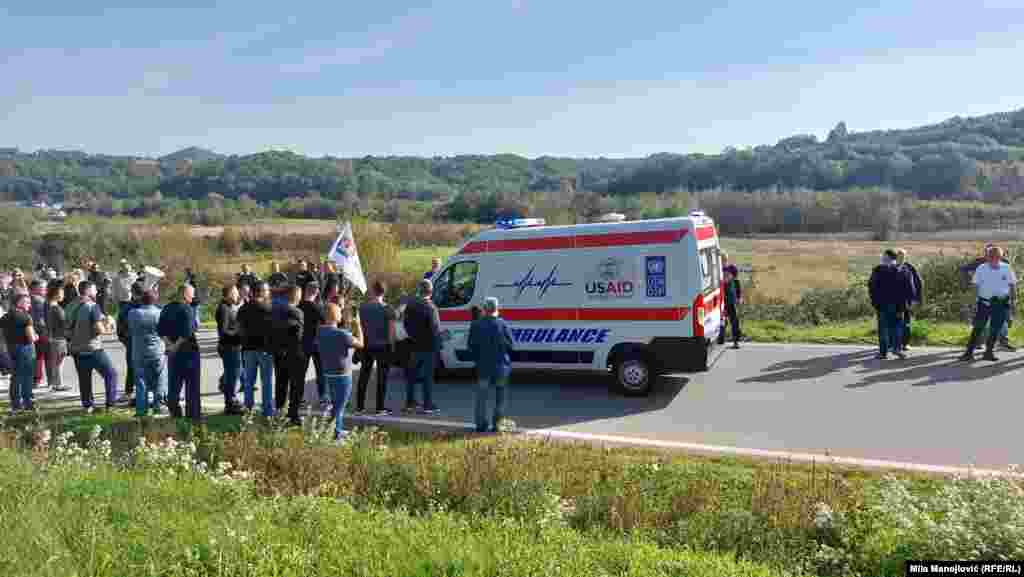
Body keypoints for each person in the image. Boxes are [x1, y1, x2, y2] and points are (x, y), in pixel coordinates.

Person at [69, 280, 121, 412]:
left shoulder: (71, 305)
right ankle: (110, 404)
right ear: (87, 291)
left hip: (76, 348)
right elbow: (99, 330)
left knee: (84, 379)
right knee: (111, 374)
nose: (96, 291)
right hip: (92, 348)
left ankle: (88, 406)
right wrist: (109, 325)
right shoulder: (93, 306)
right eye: (94, 289)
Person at [960, 246, 1017, 362]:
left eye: (996, 256)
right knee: (978, 328)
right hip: (984, 303)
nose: (994, 259)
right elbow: (975, 286)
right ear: (987, 257)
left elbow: (1012, 285)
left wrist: (1013, 302)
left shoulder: (1007, 268)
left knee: (995, 329)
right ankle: (968, 353)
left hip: (1001, 304)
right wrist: (973, 303)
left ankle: (988, 353)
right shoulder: (981, 268)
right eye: (991, 256)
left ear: (1000, 257)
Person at [467, 297, 515, 433]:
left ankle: (481, 425)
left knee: (481, 397)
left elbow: (470, 346)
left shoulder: (476, 324)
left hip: (483, 366)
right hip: (501, 366)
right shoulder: (502, 324)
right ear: (497, 308)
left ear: (484, 309)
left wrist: (478, 358)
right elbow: (511, 345)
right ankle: (497, 425)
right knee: (500, 397)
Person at [318, 302, 363, 443]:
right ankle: (334, 436)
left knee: (336, 404)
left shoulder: (320, 331)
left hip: (328, 372)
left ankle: (337, 429)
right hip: (342, 375)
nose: (341, 313)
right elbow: (360, 344)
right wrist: (358, 325)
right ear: (334, 315)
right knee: (339, 406)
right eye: (339, 311)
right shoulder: (341, 334)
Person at [158, 284, 202, 420]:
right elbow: (187, 333)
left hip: (173, 353)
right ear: (185, 294)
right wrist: (175, 346)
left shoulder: (166, 308)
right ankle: (193, 416)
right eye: (192, 294)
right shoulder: (187, 309)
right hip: (189, 352)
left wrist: (169, 345)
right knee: (192, 386)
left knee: (174, 385)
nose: (193, 297)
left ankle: (175, 413)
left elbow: (160, 330)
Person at [356, 280, 397, 416]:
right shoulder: (388, 309)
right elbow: (391, 332)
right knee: (382, 377)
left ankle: (359, 407)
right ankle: (380, 408)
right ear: (384, 292)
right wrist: (392, 347)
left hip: (366, 345)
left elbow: (358, 328)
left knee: (364, 375)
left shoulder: (363, 308)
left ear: (373, 291)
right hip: (383, 346)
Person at [402, 279, 443, 415]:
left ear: (419, 290)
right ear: (431, 291)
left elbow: (405, 324)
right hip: (429, 346)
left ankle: (410, 403)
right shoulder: (431, 308)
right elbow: (435, 329)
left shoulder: (411, 305)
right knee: (427, 376)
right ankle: (427, 404)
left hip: (415, 344)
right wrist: (439, 343)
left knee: (411, 375)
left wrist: (413, 336)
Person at [125, 290, 166, 417]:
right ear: (155, 300)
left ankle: (141, 410)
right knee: (159, 379)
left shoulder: (133, 313)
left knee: (140, 382)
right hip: (157, 350)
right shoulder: (160, 313)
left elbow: (130, 328)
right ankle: (158, 406)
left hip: (139, 351)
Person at [868, 250, 913, 360]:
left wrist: (874, 302)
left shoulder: (878, 270)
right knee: (896, 327)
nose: (882, 258)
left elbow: (872, 287)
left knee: (884, 328)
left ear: (887, 258)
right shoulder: (902, 270)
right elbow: (909, 288)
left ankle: (883, 352)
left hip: (884, 305)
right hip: (896, 305)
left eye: (884, 257)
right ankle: (896, 349)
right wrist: (908, 303)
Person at [238, 282, 275, 416]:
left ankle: (248, 408)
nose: (268, 293)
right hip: (265, 349)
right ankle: (267, 410)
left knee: (249, 381)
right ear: (262, 292)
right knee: (266, 382)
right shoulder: (269, 308)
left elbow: (239, 329)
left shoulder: (243, 308)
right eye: (267, 290)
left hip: (248, 349)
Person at [271, 285, 304, 426]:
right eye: (299, 295)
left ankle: (279, 412)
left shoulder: (274, 310)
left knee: (281, 383)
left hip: (278, 352)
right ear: (294, 295)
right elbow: (299, 335)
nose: (300, 298)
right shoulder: (296, 312)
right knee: (296, 385)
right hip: (294, 352)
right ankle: (293, 414)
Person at [3, 293, 38, 413]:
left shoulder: (5, 317)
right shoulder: (25, 317)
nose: (29, 305)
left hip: (11, 348)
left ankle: (16, 405)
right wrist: (36, 336)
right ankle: (28, 403)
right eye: (27, 302)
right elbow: (31, 337)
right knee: (27, 377)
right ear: (19, 303)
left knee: (15, 377)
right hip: (25, 348)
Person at [298, 282, 327, 413]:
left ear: (305, 291)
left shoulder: (298, 306)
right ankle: (322, 398)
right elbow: (325, 321)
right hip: (316, 343)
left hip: (302, 342)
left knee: (301, 372)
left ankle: (299, 398)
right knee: (320, 372)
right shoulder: (317, 308)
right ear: (316, 292)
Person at [216, 285, 244, 415]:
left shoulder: (229, 306)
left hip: (233, 346)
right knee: (233, 375)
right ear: (228, 294)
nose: (237, 295)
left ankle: (230, 400)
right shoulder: (224, 308)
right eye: (235, 293)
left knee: (233, 374)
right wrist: (238, 334)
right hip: (229, 347)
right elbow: (224, 331)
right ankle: (230, 403)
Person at [117, 282, 144, 402]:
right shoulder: (150, 305)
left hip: (131, 341)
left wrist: (125, 341)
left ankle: (129, 392)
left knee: (131, 367)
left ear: (132, 292)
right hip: (147, 342)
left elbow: (120, 328)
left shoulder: (126, 307)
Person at [894, 249, 923, 352]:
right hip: (893, 301)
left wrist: (916, 299)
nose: (901, 258)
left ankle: (905, 343)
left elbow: (918, 283)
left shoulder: (909, 267)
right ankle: (892, 344)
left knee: (906, 323)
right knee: (893, 323)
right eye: (899, 256)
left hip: (906, 301)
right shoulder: (890, 268)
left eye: (903, 256)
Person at [44, 282, 70, 392]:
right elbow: (64, 323)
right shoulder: (56, 308)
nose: (63, 295)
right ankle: (57, 384)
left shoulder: (49, 306)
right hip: (59, 338)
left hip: (54, 337)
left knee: (56, 362)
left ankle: (55, 383)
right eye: (61, 293)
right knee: (58, 362)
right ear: (56, 294)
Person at [717, 252, 743, 349]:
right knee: (722, 321)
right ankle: (720, 340)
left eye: (724, 259)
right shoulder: (717, 270)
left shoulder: (732, 268)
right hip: (721, 301)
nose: (723, 261)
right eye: (721, 259)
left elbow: (736, 283)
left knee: (734, 321)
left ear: (726, 259)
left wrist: (739, 297)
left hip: (731, 300)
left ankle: (736, 341)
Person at [29, 279, 48, 388]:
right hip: (40, 331)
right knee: (40, 356)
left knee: (37, 356)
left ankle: (35, 378)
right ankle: (37, 378)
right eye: (43, 288)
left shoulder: (29, 298)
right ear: (36, 289)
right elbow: (41, 319)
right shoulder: (39, 300)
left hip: (33, 330)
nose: (45, 290)